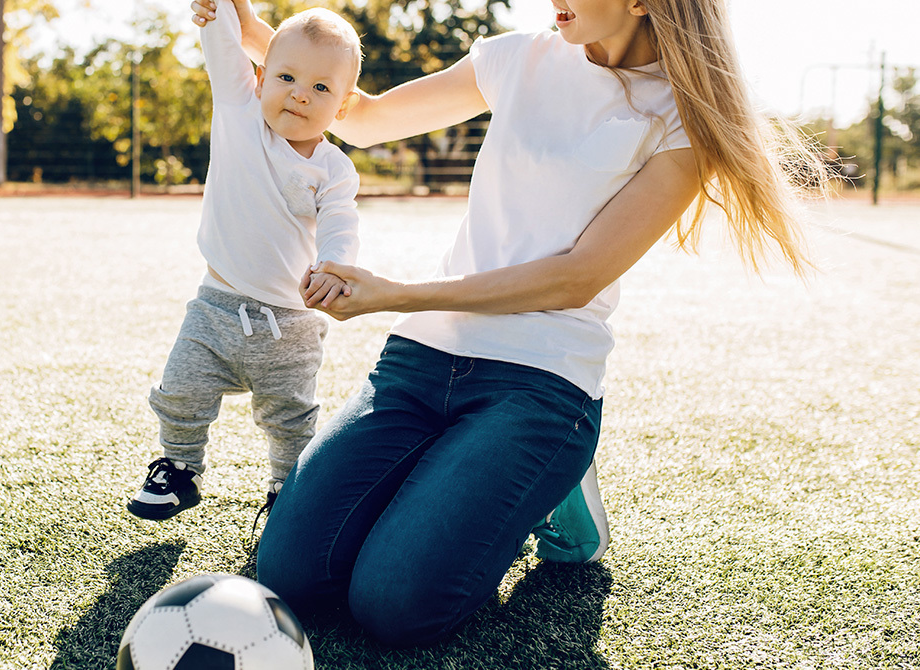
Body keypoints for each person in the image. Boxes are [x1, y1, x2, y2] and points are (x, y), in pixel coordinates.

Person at [193, 0, 829, 647]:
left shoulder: (680, 122)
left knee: (393, 604)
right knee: (291, 573)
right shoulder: (516, 56)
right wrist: (244, 28)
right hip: (422, 360)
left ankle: (554, 479)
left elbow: (576, 275)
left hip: (540, 382)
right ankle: (485, 470)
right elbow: (363, 117)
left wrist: (399, 294)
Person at [127, 0, 366, 521]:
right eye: (286, 76)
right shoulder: (238, 113)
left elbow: (340, 223)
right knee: (181, 390)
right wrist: (221, 11)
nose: (300, 93)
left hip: (289, 325)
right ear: (259, 79)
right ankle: (179, 469)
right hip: (215, 306)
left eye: (321, 88)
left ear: (343, 106)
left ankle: (288, 489)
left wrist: (333, 265)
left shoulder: (334, 169)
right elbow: (221, 42)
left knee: (291, 417)